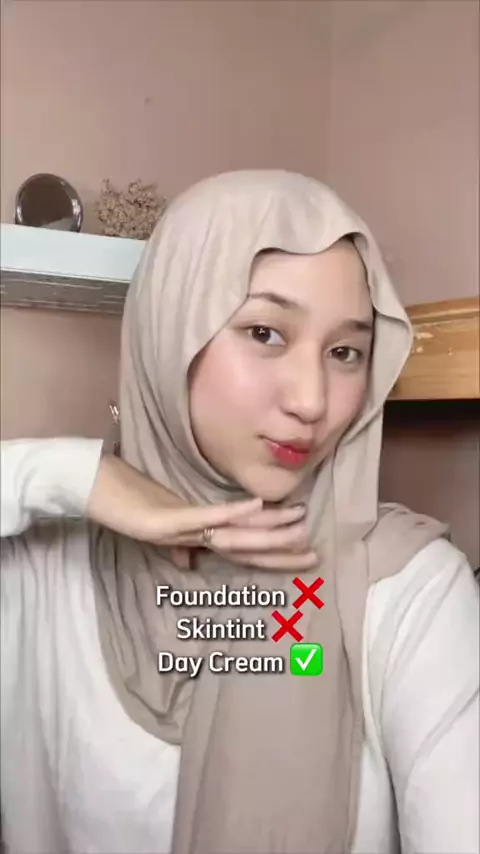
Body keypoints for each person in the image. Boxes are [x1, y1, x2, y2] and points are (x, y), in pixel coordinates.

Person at [0, 170, 478, 854]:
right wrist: (81, 479)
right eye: (265, 332)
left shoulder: (408, 592)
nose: (311, 400)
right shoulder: (39, 571)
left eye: (345, 352)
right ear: (170, 331)